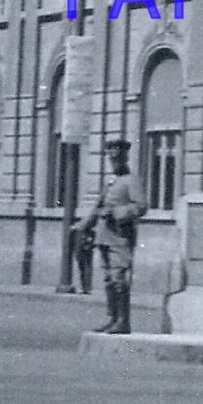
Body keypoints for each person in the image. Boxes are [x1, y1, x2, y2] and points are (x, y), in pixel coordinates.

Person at [80, 140, 144, 334]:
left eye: (117, 158)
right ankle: (113, 318)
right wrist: (84, 225)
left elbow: (140, 206)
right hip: (104, 237)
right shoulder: (110, 181)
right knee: (108, 279)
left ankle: (123, 321)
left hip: (120, 237)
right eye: (111, 158)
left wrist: (117, 213)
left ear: (125, 158)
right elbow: (98, 205)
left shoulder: (131, 180)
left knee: (119, 279)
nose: (114, 162)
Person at [71, 214, 95, 294]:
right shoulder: (79, 230)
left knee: (85, 267)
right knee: (83, 267)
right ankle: (85, 287)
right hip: (81, 245)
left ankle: (86, 287)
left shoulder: (85, 229)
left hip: (84, 245)